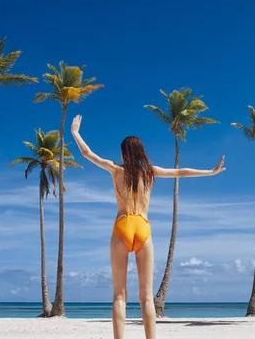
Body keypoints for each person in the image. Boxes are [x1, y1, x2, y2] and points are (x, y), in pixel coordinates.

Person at [70, 115, 226, 339]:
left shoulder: (116, 170)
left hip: (122, 226)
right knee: (146, 298)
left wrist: (76, 132)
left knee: (119, 296)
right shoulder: (150, 172)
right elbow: (181, 172)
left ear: (124, 153)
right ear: (141, 151)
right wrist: (210, 172)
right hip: (143, 228)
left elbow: (88, 154)